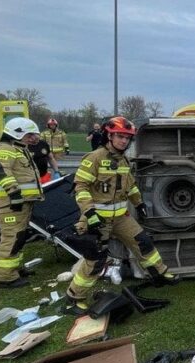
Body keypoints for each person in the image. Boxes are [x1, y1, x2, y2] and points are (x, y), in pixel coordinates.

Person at [63, 116, 178, 314]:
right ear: (109, 136)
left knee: (143, 242)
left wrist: (139, 203)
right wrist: (89, 212)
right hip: (97, 218)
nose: (124, 141)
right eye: (119, 137)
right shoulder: (95, 158)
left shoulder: (124, 160)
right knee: (96, 259)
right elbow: (80, 187)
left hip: (121, 217)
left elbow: (131, 186)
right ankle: (73, 298)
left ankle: (159, 274)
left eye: (127, 138)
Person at [0, 118, 44, 288]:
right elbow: (0, 170)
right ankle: (6, 277)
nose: (33, 138)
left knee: (19, 237)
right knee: (11, 238)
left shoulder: (18, 149)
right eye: (29, 135)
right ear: (17, 133)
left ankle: (15, 268)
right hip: (11, 203)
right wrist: (14, 194)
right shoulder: (5, 149)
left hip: (21, 203)